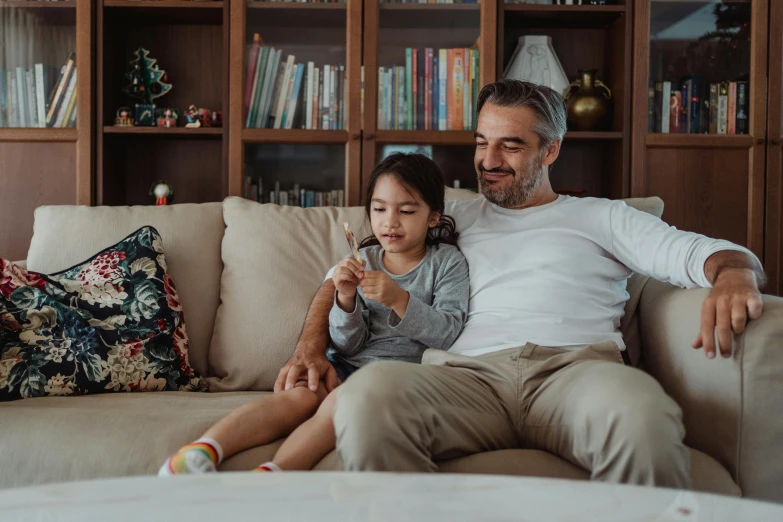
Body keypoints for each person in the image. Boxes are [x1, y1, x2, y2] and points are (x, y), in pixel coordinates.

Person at [276, 79, 766, 487]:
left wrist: (736, 273)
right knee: (367, 397)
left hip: (572, 373)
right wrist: (310, 345)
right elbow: (348, 271)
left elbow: (699, 252)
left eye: (510, 145)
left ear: (551, 149)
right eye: (481, 142)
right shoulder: (450, 219)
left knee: (643, 415)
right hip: (462, 379)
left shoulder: (602, 217)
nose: (488, 160)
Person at [158, 153, 470, 475]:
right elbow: (348, 345)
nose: (390, 221)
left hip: (394, 380)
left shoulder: (446, 263)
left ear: (433, 217)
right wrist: (345, 300)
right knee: (299, 398)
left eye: (406, 211)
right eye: (379, 209)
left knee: (338, 403)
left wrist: (400, 300)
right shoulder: (363, 259)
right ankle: (200, 451)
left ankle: (276, 472)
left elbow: (447, 332)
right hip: (344, 365)